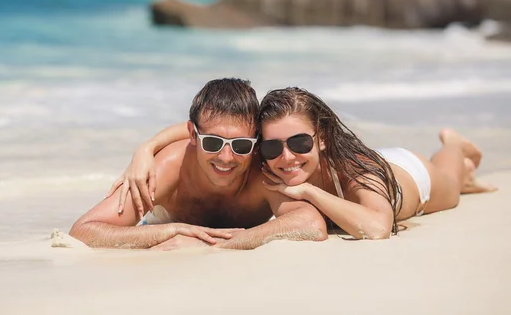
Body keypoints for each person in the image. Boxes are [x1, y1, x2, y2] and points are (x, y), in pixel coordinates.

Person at [111, 87, 497, 239]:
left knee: (451, 176)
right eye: (272, 147)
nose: (287, 157)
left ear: (322, 137)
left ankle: (455, 147)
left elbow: (377, 227)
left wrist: (310, 191)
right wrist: (146, 148)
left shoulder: (357, 165)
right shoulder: (260, 159)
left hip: (412, 177)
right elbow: (210, 132)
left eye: (299, 143)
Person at [69, 79, 327, 250]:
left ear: (256, 143)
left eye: (240, 145)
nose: (226, 158)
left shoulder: (262, 171)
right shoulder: (168, 168)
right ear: (193, 135)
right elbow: (84, 231)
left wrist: (221, 244)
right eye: (213, 143)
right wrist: (172, 231)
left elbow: (311, 224)